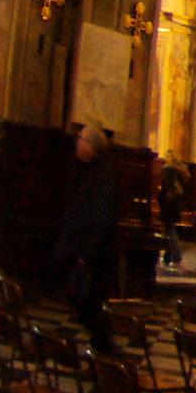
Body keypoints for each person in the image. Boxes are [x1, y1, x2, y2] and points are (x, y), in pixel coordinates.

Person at [54, 125, 120, 353]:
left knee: (87, 300)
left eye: (81, 139)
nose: (77, 142)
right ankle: (102, 348)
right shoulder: (89, 171)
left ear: (91, 147)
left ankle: (105, 350)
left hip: (92, 254)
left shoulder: (101, 176)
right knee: (83, 301)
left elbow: (99, 217)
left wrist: (86, 252)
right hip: (85, 250)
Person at [156, 157, 187, 268]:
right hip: (173, 211)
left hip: (168, 210)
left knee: (170, 232)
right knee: (169, 232)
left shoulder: (169, 185)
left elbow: (162, 197)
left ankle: (177, 255)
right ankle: (167, 257)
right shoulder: (177, 184)